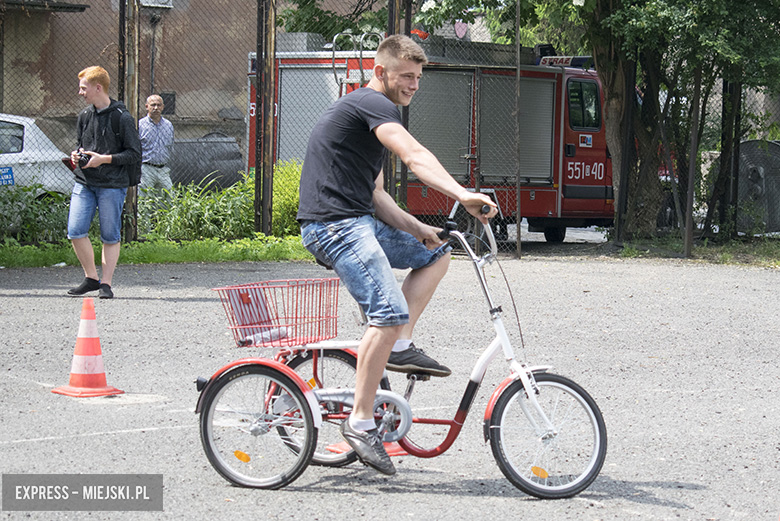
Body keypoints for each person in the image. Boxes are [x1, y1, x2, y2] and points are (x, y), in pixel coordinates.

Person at [297, 35, 496, 476]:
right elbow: (414, 154)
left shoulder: (367, 118)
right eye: (406, 76)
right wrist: (462, 194)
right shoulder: (372, 105)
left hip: (356, 220)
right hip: (333, 226)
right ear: (380, 71)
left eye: (418, 77)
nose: (414, 85)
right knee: (385, 313)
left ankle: (400, 345)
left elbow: (376, 195)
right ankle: (361, 422)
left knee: (437, 253)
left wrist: (419, 229)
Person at [67, 65, 142, 299]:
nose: (81, 93)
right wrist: (76, 155)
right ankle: (91, 278)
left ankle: (106, 284)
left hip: (112, 185)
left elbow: (134, 154)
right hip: (85, 182)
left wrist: (104, 160)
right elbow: (82, 145)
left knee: (110, 235)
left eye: (83, 88)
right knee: (75, 231)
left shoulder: (123, 117)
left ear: (98, 87)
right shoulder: (85, 116)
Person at [138, 94, 174, 195]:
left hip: (163, 169)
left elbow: (170, 146)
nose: (156, 108)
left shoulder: (168, 125)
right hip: (146, 169)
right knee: (144, 200)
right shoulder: (140, 125)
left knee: (168, 199)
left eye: (159, 105)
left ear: (163, 107)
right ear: (147, 107)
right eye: (153, 105)